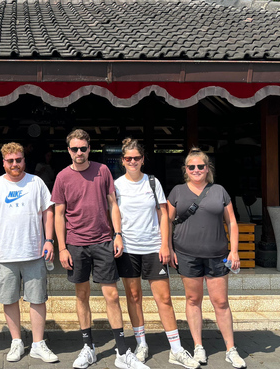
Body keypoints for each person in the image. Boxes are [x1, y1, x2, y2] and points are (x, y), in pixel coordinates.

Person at [52, 129, 148, 369]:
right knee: (81, 295)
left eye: (83, 148)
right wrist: (61, 247)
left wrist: (118, 234)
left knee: (112, 295)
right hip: (75, 243)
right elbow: (59, 214)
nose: (79, 153)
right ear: (68, 150)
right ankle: (88, 347)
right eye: (74, 149)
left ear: (89, 148)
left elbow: (113, 204)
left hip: (104, 240)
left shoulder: (102, 170)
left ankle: (122, 350)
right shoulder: (62, 177)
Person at [114, 138, 199, 369]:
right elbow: (114, 214)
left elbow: (163, 214)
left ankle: (176, 349)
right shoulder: (116, 185)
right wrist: (117, 235)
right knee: (133, 297)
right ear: (122, 160)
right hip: (129, 249)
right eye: (128, 158)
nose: (133, 161)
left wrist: (166, 245)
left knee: (164, 298)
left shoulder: (152, 182)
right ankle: (141, 343)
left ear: (143, 159)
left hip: (153, 247)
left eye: (137, 158)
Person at [167, 148, 246, 369]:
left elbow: (231, 221)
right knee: (193, 300)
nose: (196, 170)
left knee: (221, 302)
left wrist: (234, 250)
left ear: (207, 168)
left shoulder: (219, 191)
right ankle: (198, 346)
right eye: (191, 167)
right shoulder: (177, 192)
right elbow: (166, 220)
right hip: (186, 254)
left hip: (217, 254)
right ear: (185, 169)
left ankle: (231, 349)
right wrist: (168, 247)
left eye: (200, 166)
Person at [0, 142, 59, 363]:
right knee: (9, 299)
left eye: (19, 160)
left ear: (24, 160)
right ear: (3, 162)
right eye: (10, 161)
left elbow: (48, 211)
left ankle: (38, 343)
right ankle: (16, 341)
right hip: (5, 254)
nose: (15, 164)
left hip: (34, 252)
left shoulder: (36, 182)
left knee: (37, 299)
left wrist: (49, 240)